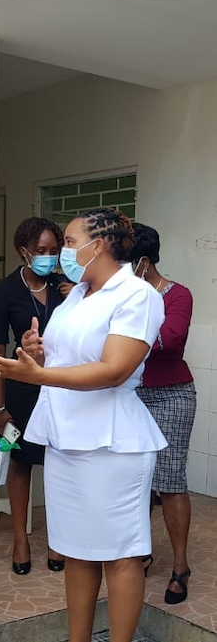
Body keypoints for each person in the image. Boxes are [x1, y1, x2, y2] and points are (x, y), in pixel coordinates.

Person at [0, 208, 166, 642]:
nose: (63, 250)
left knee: (121, 554)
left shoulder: (137, 296)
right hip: (66, 436)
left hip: (113, 441)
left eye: (72, 240)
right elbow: (64, 359)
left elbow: (112, 369)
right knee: (76, 549)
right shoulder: (79, 294)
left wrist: (36, 377)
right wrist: (36, 355)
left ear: (98, 245)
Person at [0, 217, 69, 574]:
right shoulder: (5, 292)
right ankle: (20, 538)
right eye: (41, 252)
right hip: (21, 389)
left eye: (54, 251)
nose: (49, 258)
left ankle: (58, 541)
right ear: (24, 252)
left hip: (63, 387)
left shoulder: (68, 287)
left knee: (60, 464)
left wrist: (78, 296)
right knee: (20, 463)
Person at [130, 223, 196, 604]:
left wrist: (123, 341)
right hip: (133, 394)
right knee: (135, 479)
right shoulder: (126, 296)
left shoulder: (178, 295)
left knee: (169, 481)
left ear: (142, 261)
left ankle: (181, 567)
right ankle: (142, 551)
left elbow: (168, 341)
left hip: (171, 394)